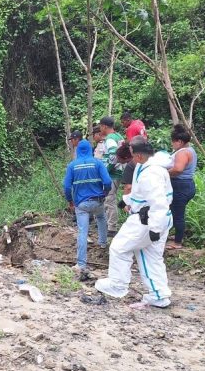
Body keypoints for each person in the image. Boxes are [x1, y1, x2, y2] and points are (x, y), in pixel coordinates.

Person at [94, 140, 173, 308]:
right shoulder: (146, 167)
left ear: (138, 155)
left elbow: (158, 201)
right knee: (150, 256)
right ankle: (159, 294)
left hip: (148, 219)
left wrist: (155, 227)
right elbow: (140, 192)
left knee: (119, 247)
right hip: (155, 216)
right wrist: (126, 200)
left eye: (131, 153)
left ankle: (117, 285)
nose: (129, 157)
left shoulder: (150, 173)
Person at [63, 139, 112, 281]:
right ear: (90, 150)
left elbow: (67, 187)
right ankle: (103, 243)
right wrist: (104, 193)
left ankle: (81, 263)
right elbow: (108, 182)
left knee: (83, 231)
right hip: (97, 201)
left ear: (78, 151)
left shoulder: (72, 166)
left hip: (81, 204)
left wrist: (70, 200)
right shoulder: (98, 163)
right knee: (101, 218)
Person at [166, 124, 197, 250]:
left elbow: (178, 169)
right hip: (187, 184)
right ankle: (177, 235)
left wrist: (163, 173)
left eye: (173, 142)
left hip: (180, 185)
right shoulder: (190, 150)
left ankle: (178, 242)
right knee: (175, 212)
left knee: (178, 214)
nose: (172, 145)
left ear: (179, 141)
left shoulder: (182, 153)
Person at [99, 116, 125, 235]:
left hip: (112, 173)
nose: (100, 129)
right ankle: (110, 224)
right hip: (119, 171)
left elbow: (113, 155)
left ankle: (111, 227)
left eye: (100, 126)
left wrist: (106, 171)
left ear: (104, 126)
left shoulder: (109, 138)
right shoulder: (118, 136)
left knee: (109, 199)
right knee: (110, 199)